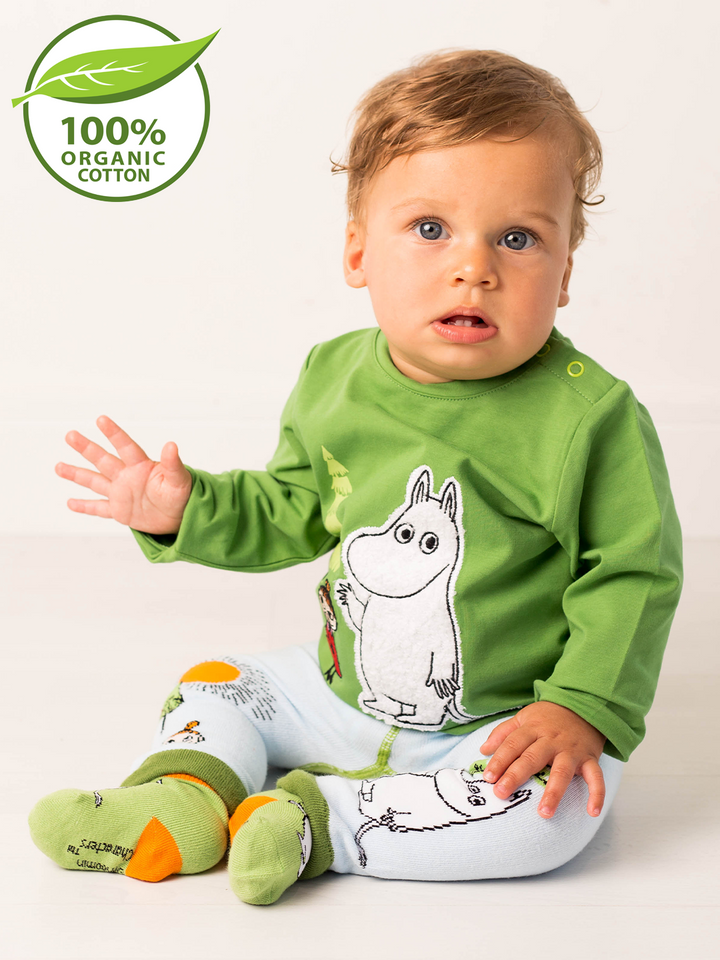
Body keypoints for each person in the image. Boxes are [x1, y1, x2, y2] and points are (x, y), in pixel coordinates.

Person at [29, 49, 683, 904]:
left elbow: (634, 573)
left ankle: (316, 821)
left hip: (501, 721)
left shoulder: (589, 416)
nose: (474, 267)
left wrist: (582, 707)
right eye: (430, 229)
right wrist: (185, 509)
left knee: (548, 818)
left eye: (518, 239)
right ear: (358, 251)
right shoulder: (335, 375)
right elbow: (295, 507)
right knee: (216, 682)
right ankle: (183, 797)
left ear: (563, 275)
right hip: (341, 690)